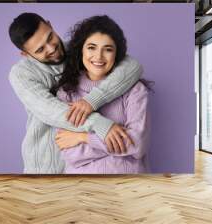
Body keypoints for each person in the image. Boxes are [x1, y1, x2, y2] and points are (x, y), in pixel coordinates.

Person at [8, 13, 143, 173]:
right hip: (45, 166)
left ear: (50, 25)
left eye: (50, 37)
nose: (52, 48)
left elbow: (133, 66)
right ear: (26, 54)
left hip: (83, 165)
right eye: (40, 49)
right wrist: (99, 124)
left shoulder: (78, 50)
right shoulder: (21, 74)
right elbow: (51, 111)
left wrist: (92, 100)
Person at [53, 15, 151, 174]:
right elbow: (69, 153)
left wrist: (83, 138)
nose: (98, 56)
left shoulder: (135, 90)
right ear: (81, 50)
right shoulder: (66, 93)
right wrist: (116, 140)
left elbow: (137, 144)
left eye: (108, 49)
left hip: (127, 184)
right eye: (91, 47)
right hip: (80, 187)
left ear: (117, 54)